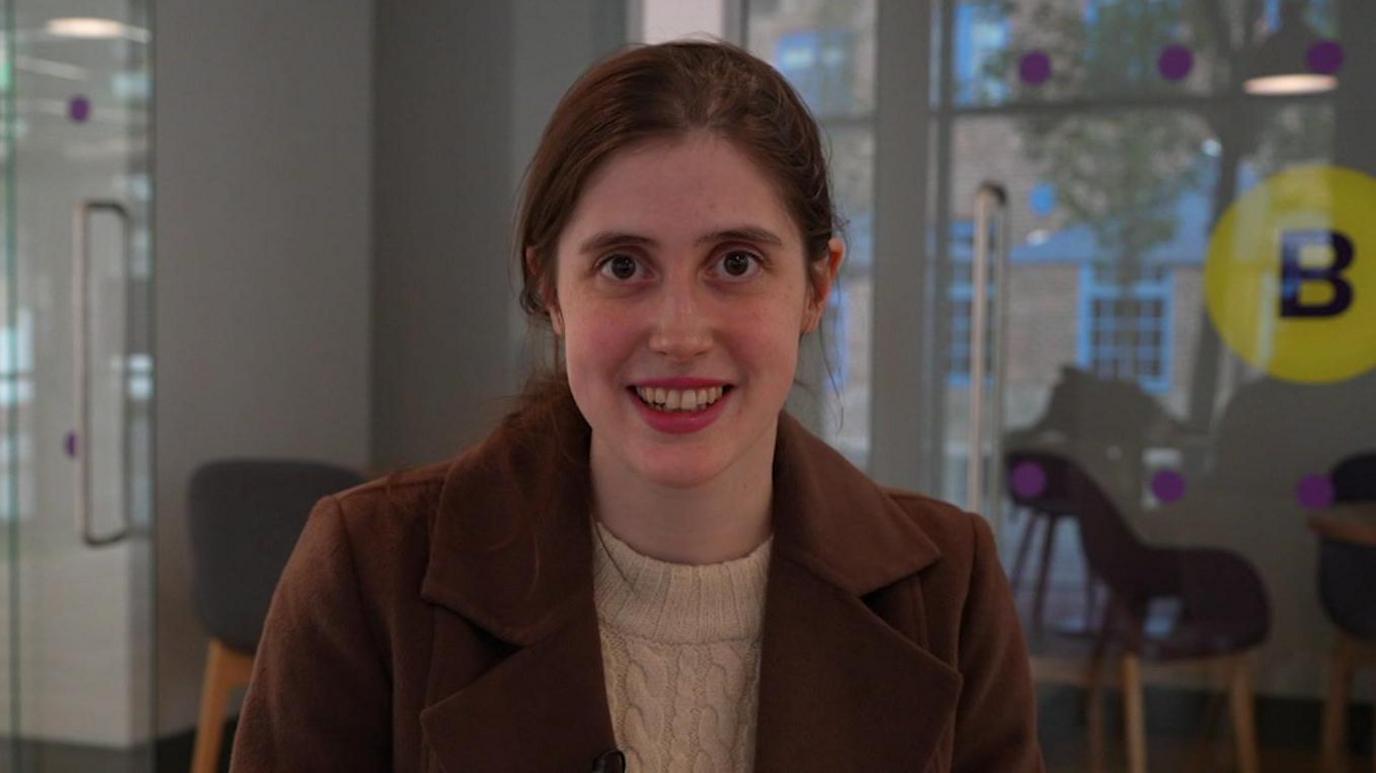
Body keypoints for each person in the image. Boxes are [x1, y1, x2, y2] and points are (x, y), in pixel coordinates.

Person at [230, 39, 1042, 772]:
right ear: (551, 288)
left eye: (735, 262)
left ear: (817, 285)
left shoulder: (949, 591)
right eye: (623, 266)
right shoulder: (368, 571)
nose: (680, 333)